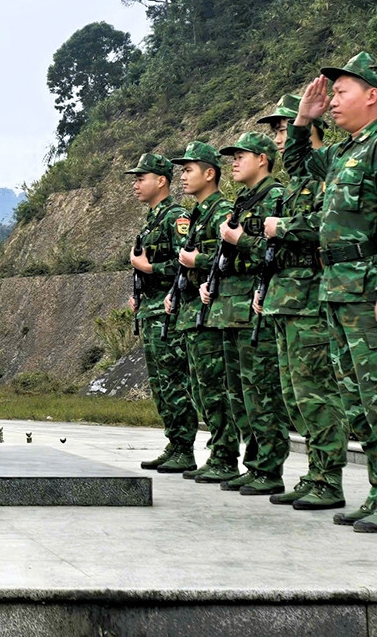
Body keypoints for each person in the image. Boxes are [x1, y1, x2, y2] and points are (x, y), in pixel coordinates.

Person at [287, 52, 377, 533]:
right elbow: (300, 164)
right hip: (338, 289)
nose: (334, 99)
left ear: (372, 95)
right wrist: (305, 119)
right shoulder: (346, 150)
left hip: (370, 290)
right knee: (359, 404)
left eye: (341, 91)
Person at [257, 95, 349, 511]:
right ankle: (315, 473)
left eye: (283, 128)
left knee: (317, 394)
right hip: (286, 298)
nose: (278, 137)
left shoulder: (328, 171)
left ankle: (330, 478)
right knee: (296, 397)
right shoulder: (298, 181)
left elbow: (328, 224)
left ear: (310, 125)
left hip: (310, 298)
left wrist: (283, 227)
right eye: (276, 131)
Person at [214, 132, 290, 496]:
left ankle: (269, 468)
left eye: (241, 155)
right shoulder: (242, 202)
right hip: (232, 305)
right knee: (241, 393)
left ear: (263, 158)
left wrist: (240, 240)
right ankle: (254, 463)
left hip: (255, 305)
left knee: (262, 390)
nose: (234, 161)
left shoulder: (275, 197)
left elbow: (277, 254)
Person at [167, 142, 241, 484]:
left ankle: (225, 457)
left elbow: (231, 259)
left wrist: (197, 261)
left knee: (216, 388)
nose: (183, 176)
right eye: (182, 171)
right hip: (194, 311)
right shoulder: (199, 214)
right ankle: (218, 453)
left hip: (212, 312)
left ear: (209, 174)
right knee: (202, 388)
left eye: (189, 170)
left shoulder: (221, 211)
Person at [124, 153, 197, 473]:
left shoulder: (175, 217)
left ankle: (185, 447)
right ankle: (175, 441)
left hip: (169, 311)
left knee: (174, 381)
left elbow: (186, 262)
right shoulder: (153, 218)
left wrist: (149, 267)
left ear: (161, 181)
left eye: (142, 178)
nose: (136, 184)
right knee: (161, 384)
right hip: (151, 309)